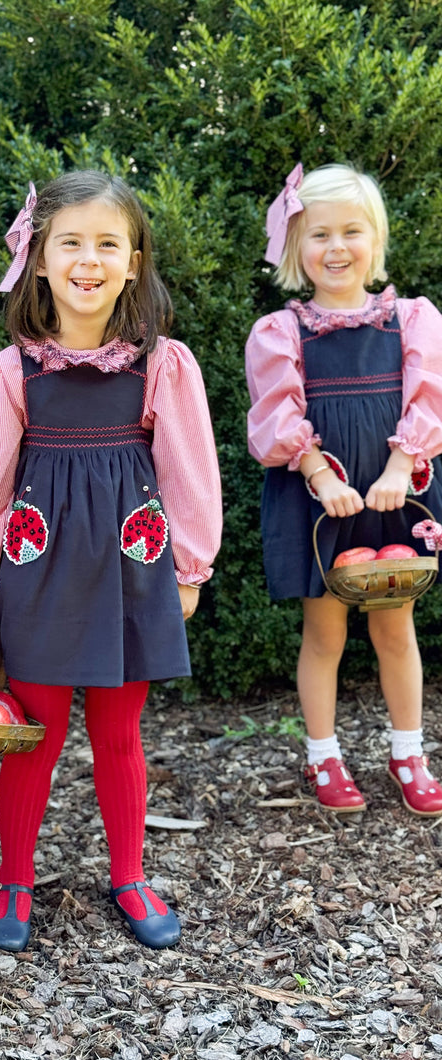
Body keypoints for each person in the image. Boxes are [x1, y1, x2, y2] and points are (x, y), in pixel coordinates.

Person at [0, 171, 223, 952]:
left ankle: (130, 872)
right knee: (32, 730)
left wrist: (189, 568)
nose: (89, 259)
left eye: (109, 244)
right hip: (36, 573)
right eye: (70, 242)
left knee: (120, 732)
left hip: (132, 570)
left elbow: (189, 472)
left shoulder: (162, 366)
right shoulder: (7, 375)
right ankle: (14, 875)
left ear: (134, 262)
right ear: (38, 259)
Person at [245, 162, 442, 818]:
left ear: (375, 240)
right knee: (324, 633)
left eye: (351, 231)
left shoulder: (411, 320)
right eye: (318, 233)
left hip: (395, 495)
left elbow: (427, 400)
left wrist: (400, 468)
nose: (335, 247)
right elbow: (278, 415)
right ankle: (323, 753)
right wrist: (320, 473)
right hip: (319, 505)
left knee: (395, 627)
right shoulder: (282, 333)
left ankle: (408, 751)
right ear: (297, 246)